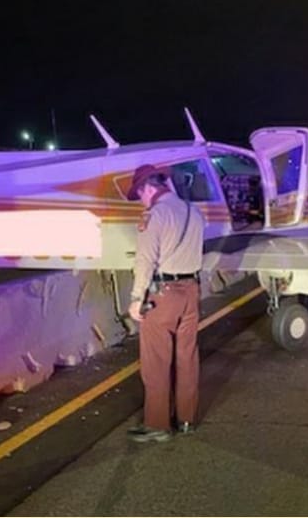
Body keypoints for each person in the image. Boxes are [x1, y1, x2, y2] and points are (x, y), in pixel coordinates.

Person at [125, 164, 206, 443]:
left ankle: (158, 425)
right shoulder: (194, 212)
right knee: (187, 358)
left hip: (164, 296)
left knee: (156, 362)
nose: (142, 201)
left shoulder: (155, 215)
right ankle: (187, 420)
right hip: (192, 293)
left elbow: (145, 260)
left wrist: (136, 299)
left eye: (140, 195)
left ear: (147, 187)